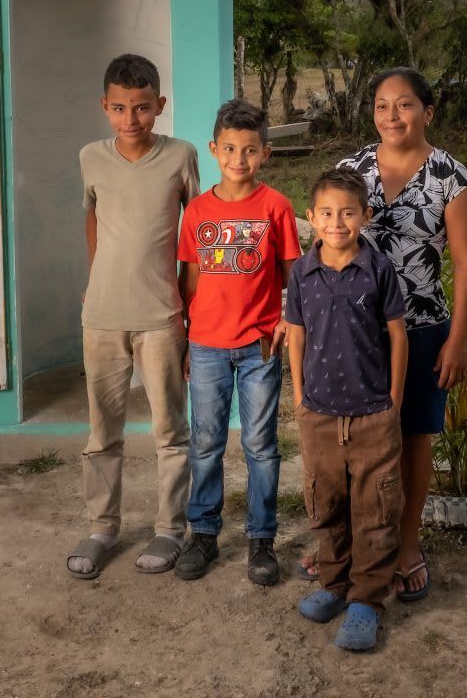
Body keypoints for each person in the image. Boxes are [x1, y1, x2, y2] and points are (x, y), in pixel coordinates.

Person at [316, 67, 467, 603]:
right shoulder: (352, 168)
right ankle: (340, 547)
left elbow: (466, 261)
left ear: (427, 113)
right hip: (353, 332)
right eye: (383, 106)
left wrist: (457, 339)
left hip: (422, 328)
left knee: (411, 437)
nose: (392, 116)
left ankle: (406, 546)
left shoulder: (450, 179)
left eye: (405, 105)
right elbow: (323, 239)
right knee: (347, 440)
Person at [67, 54, 201, 581]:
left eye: (142, 108)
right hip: (101, 316)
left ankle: (170, 528)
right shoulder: (91, 158)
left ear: (160, 106)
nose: (131, 120)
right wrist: (97, 281)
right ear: (105, 107)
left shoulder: (181, 157)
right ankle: (102, 527)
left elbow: (194, 234)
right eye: (120, 109)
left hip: (162, 316)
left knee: (170, 429)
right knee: (103, 432)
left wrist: (187, 310)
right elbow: (94, 223)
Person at [175, 99, 301, 586]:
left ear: (265, 153)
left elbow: (293, 273)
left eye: (250, 150)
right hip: (206, 344)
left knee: (260, 445)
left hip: (259, 347)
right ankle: (203, 534)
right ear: (214, 149)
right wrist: (188, 338)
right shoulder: (199, 212)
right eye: (229, 149)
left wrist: (287, 320)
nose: (239, 159)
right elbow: (190, 280)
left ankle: (261, 539)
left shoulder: (276, 207)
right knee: (205, 442)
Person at [286, 167, 409, 652]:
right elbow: (295, 334)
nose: (337, 222)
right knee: (325, 504)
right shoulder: (302, 272)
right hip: (317, 414)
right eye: (327, 213)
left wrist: (394, 401)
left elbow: (397, 335)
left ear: (365, 215)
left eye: (348, 213)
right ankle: (334, 586)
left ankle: (367, 600)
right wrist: (298, 397)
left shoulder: (378, 270)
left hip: (373, 414)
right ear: (312, 217)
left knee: (375, 509)